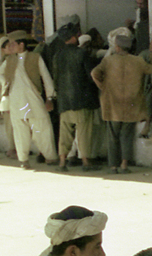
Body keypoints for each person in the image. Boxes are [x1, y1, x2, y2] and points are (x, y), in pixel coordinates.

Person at [91, 32, 152, 174]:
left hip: (112, 104)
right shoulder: (138, 61)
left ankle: (113, 166)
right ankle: (124, 165)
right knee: (127, 136)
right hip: (131, 104)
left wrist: (103, 87)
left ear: (117, 47)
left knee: (112, 136)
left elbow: (94, 73)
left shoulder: (108, 61)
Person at [0, 30, 59, 170]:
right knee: (20, 131)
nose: (10, 47)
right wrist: (7, 85)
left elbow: (46, 78)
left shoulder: (35, 57)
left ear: (21, 44)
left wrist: (50, 98)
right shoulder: (9, 60)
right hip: (17, 101)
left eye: (13, 44)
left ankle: (50, 157)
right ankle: (23, 160)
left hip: (33, 99)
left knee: (42, 128)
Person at [51, 25, 100, 171]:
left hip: (64, 101)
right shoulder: (82, 53)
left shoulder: (57, 56)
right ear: (73, 37)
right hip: (81, 100)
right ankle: (86, 162)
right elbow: (91, 76)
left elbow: (56, 79)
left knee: (65, 134)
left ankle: (62, 162)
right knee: (84, 133)